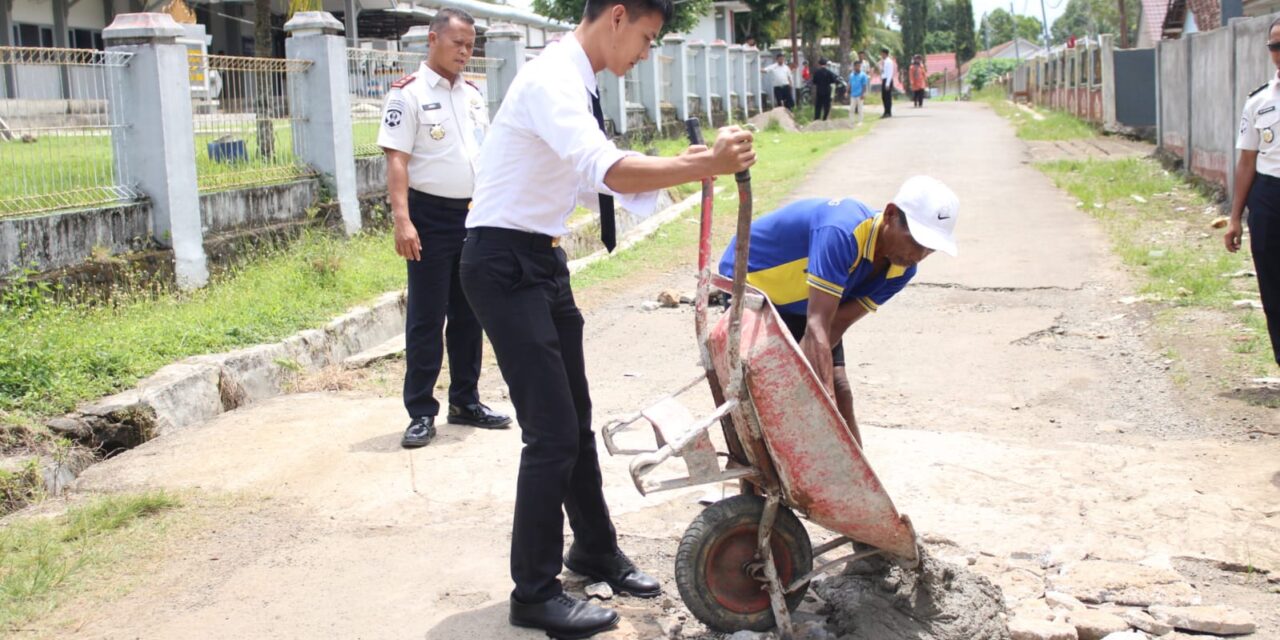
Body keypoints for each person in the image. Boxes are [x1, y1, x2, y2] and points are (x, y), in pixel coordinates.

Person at [459, 0, 758, 636]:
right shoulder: (551, 79)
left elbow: (597, 174)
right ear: (617, 17)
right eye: (647, 38)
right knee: (551, 434)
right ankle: (533, 592)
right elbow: (608, 169)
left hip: (541, 259)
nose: (647, 54)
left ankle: (593, 549)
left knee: (574, 418)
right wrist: (703, 164)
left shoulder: (579, 80)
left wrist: (683, 167)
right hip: (502, 262)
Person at [717, 176, 959, 445]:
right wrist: (820, 399)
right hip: (752, 283)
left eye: (930, 248)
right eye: (915, 240)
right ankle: (758, 460)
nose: (919, 254)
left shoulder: (901, 271)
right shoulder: (843, 231)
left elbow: (836, 324)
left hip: (807, 303)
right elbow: (817, 325)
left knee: (839, 387)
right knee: (766, 389)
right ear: (890, 214)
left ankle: (855, 470)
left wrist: (812, 386)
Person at [376, 8, 510, 449]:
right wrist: (403, 220)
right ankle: (420, 411)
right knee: (427, 317)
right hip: (429, 218)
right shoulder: (408, 95)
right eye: (458, 43)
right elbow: (397, 160)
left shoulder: (472, 94)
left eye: (470, 45)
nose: (465, 52)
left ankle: (465, 401)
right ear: (433, 39)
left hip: (472, 215)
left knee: (469, 314)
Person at [1227, 16, 1280, 369]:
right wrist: (1235, 218)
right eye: (1275, 46)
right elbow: (1247, 161)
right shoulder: (1258, 102)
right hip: (1269, 197)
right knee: (1273, 287)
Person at [847, 59, 870, 124]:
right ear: (854, 67)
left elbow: (864, 85)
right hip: (853, 94)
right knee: (852, 109)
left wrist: (863, 94)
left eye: (859, 66)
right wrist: (847, 91)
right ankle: (851, 121)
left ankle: (860, 121)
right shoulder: (851, 75)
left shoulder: (863, 75)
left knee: (860, 109)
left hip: (860, 94)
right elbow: (849, 84)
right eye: (857, 66)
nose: (858, 67)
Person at [879, 47, 897, 118]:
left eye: (882, 54)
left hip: (887, 80)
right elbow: (883, 71)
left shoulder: (889, 62)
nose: (881, 55)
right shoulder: (884, 61)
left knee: (887, 97)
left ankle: (888, 112)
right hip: (884, 80)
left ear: (885, 53)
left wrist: (887, 84)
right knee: (884, 97)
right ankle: (886, 111)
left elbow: (890, 73)